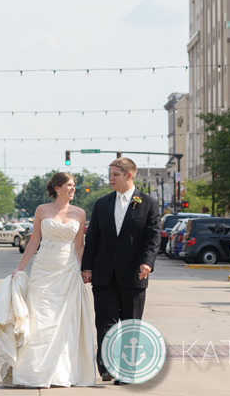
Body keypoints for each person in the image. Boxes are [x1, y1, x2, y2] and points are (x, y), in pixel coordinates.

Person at [0, 172, 95, 387]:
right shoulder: (42, 210)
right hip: (43, 270)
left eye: (74, 185)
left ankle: (61, 373)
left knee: (64, 323)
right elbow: (34, 241)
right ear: (57, 188)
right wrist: (20, 268)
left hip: (68, 271)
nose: (73, 189)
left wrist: (86, 269)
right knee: (39, 320)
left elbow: (79, 245)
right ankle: (33, 372)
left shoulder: (80, 213)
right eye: (69, 185)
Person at [81, 158, 160, 383]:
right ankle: (106, 366)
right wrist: (87, 267)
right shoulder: (101, 203)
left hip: (134, 275)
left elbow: (153, 237)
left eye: (116, 174)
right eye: (111, 174)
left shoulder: (149, 204)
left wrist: (148, 262)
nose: (111, 178)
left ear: (129, 176)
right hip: (103, 274)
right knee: (105, 323)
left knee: (130, 324)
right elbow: (93, 237)